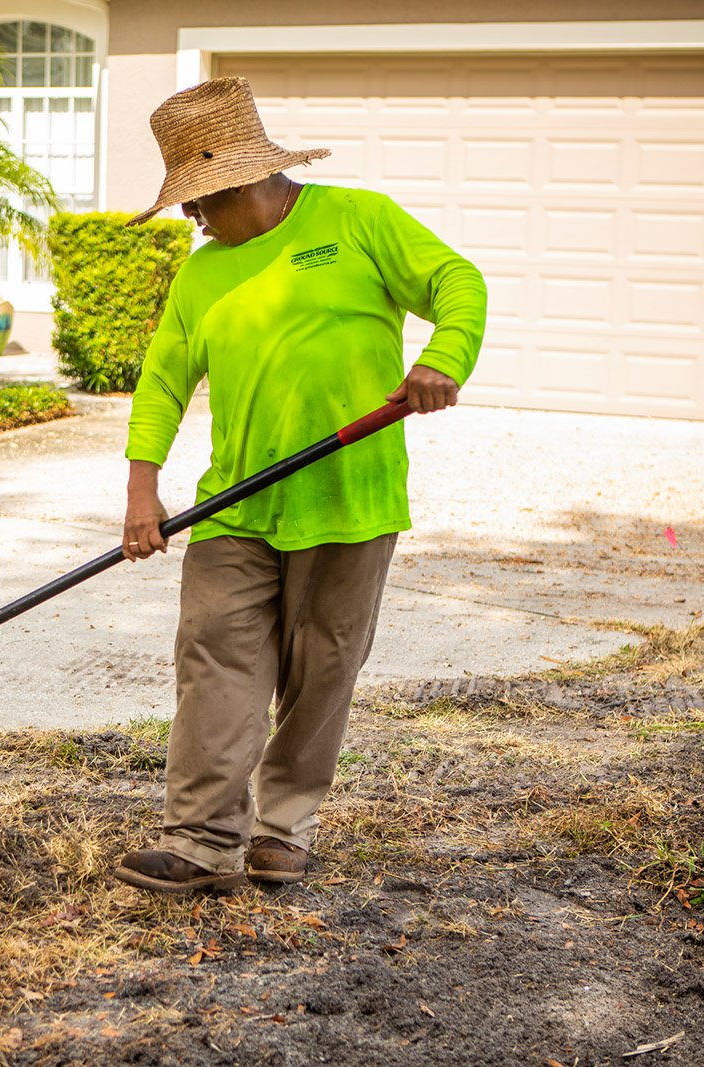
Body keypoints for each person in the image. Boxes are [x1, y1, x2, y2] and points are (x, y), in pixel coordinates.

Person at [112, 77, 487, 894]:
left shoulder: (360, 220)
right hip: (237, 503)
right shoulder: (201, 276)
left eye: (198, 201)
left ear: (242, 181)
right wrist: (144, 490)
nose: (191, 218)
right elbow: (163, 383)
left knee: (322, 667)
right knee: (215, 657)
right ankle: (202, 840)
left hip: (350, 497)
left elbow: (459, 282)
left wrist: (440, 362)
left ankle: (285, 829)